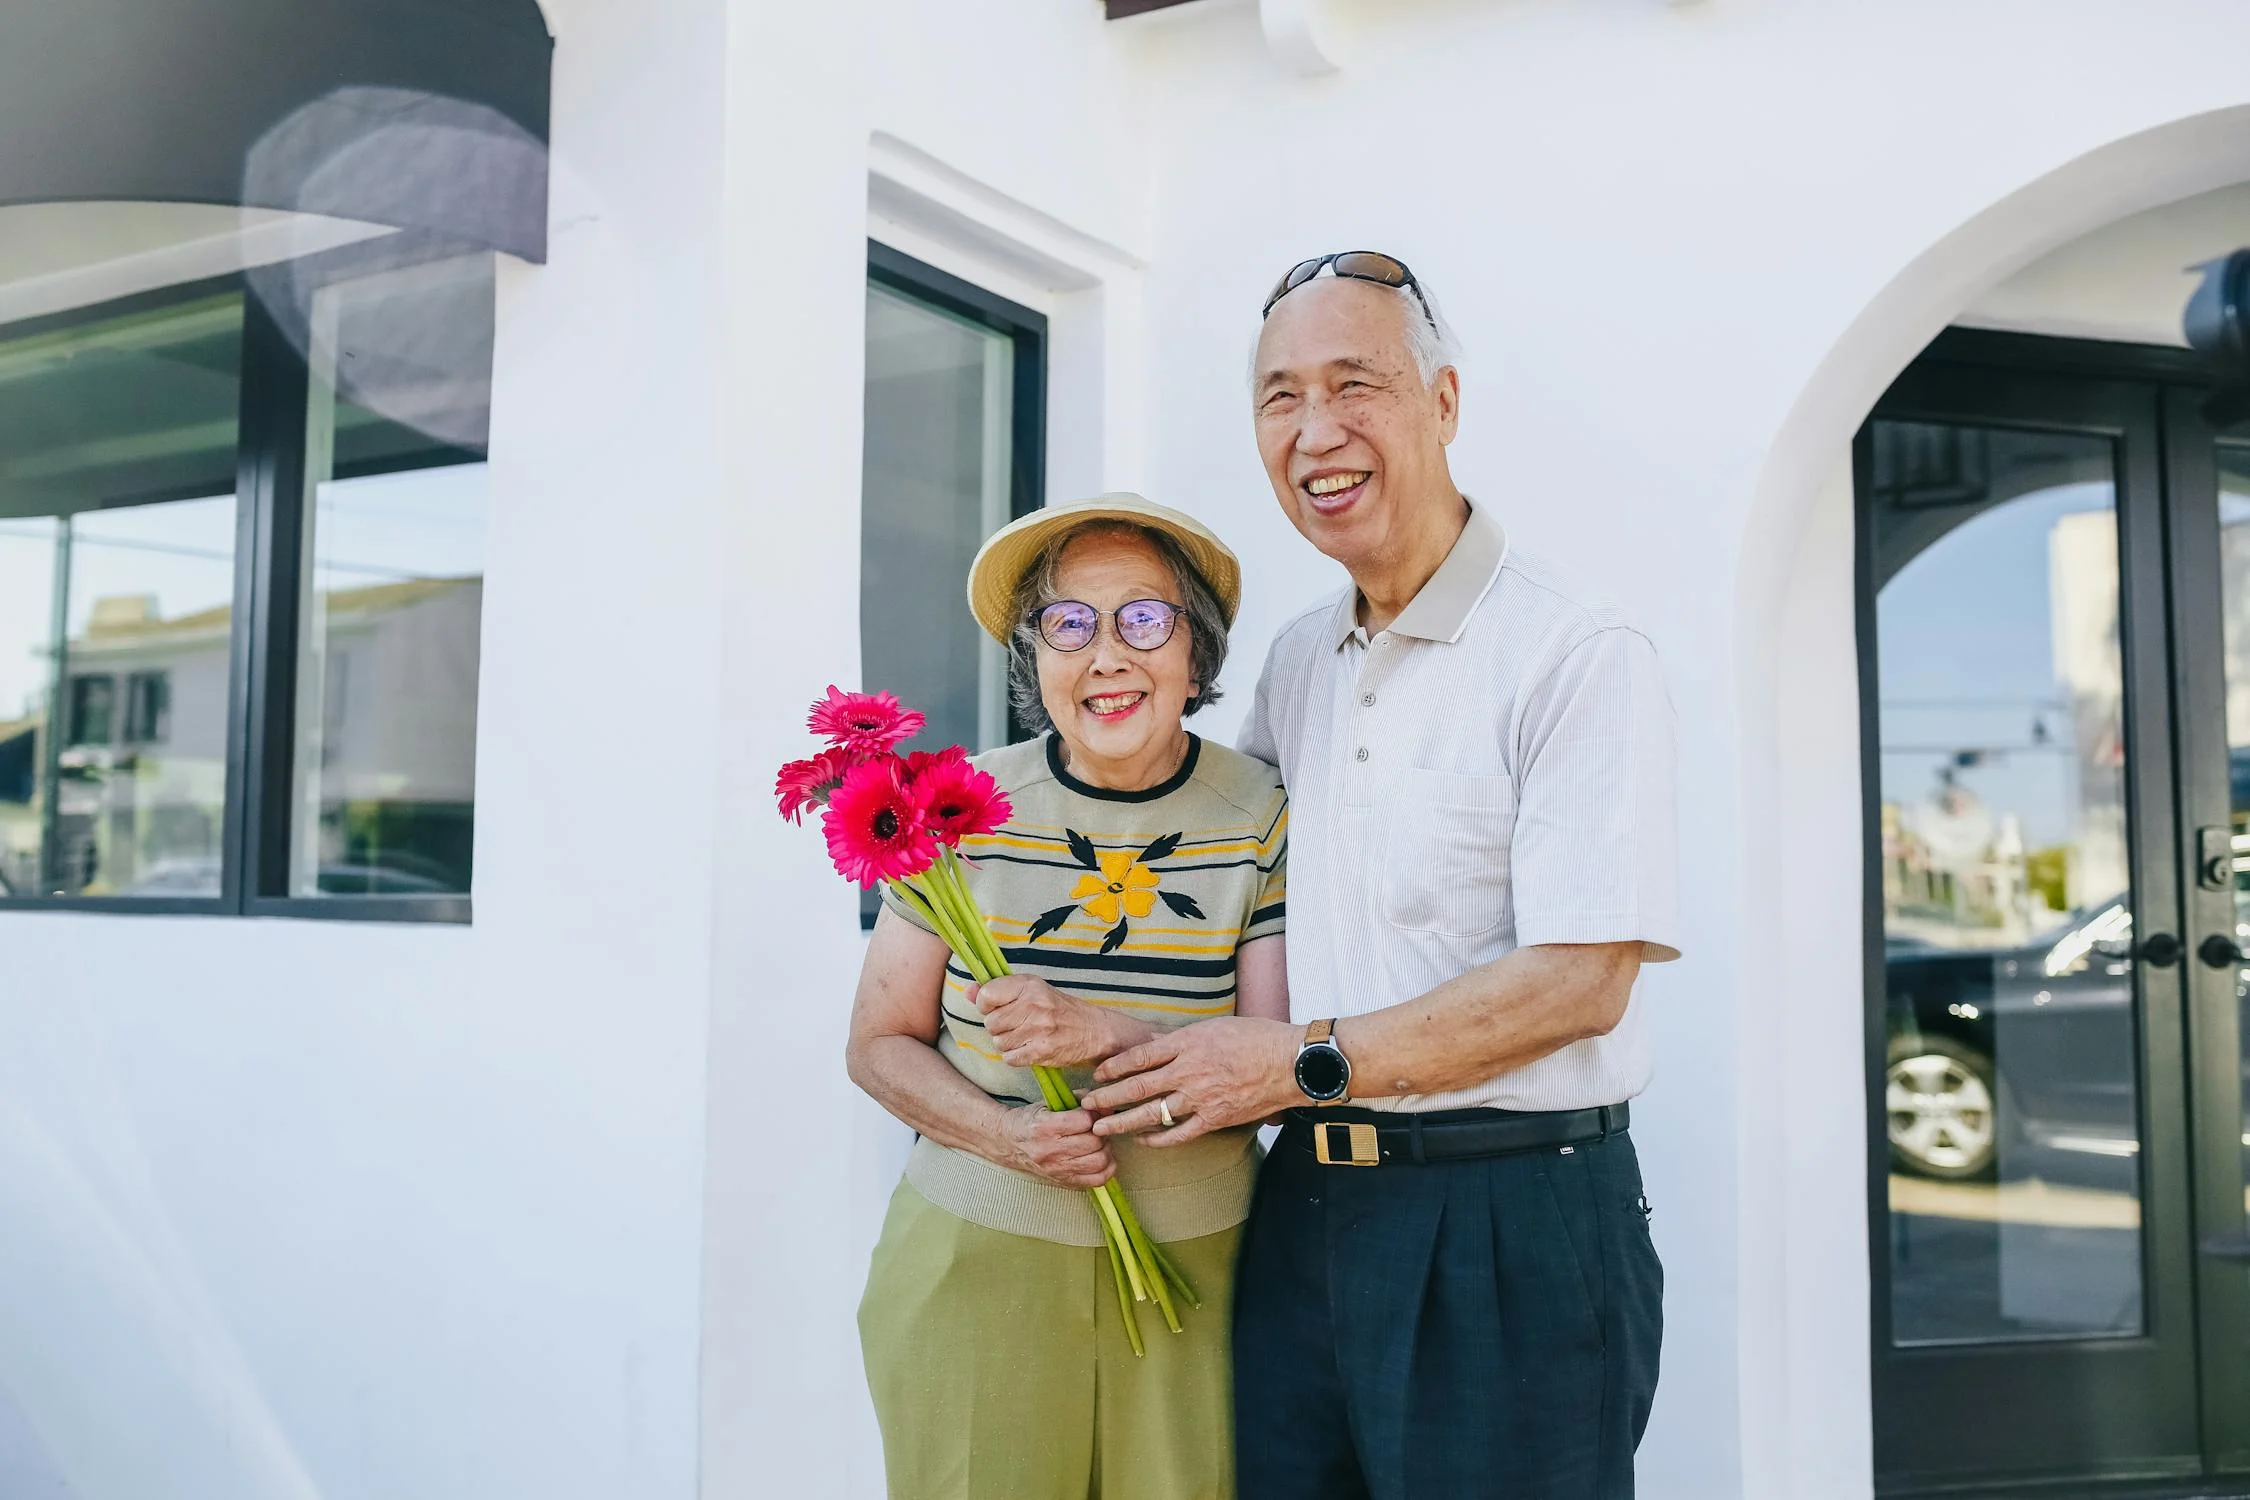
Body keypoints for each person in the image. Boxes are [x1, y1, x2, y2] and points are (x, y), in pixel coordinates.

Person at [1082, 253, 1681, 1500]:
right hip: (1302, 1214)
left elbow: (1583, 980)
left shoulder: (1574, 649)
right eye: (1280, 397)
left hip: (1509, 1225)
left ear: (1444, 402)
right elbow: (1220, 896)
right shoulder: (1299, 660)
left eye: (1354, 383)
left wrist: (1295, 1065)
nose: (1316, 432)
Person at [848, 494, 1290, 1500]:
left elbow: (1274, 1074)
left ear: (1196, 653)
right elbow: (878, 1043)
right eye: (1070, 623)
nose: (1107, 656)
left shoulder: (1260, 815)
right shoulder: (954, 808)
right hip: (975, 1266)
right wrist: (1009, 1137)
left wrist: (1101, 1033)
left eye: (1146, 619)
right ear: (1034, 657)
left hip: (1206, 1277)